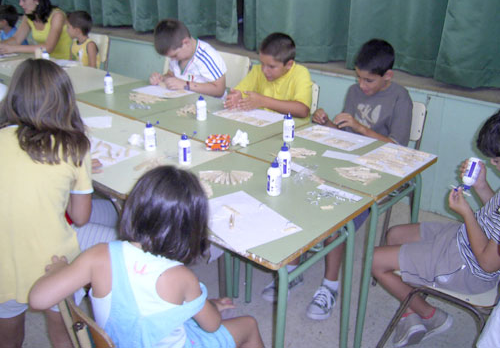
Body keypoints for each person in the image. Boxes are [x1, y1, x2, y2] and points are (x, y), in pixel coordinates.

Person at [29, 166, 265, 348]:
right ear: (190, 230)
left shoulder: (98, 255)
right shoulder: (182, 278)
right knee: (249, 325)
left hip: (121, 341)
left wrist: (60, 269)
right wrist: (208, 305)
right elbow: (212, 325)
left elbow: (38, 299)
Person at [260, 39, 412, 315]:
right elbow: (344, 136)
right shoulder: (354, 91)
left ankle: (330, 286)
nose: (361, 86)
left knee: (335, 218)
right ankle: (293, 268)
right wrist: (327, 123)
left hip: (381, 172)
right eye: (358, 78)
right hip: (345, 161)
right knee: (296, 191)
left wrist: (360, 128)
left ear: (387, 76)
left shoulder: (400, 98)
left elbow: (400, 151)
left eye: (368, 81)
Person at [371, 110, 500, 347]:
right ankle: (411, 308)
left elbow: (488, 262)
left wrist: (467, 213)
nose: (493, 163)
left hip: (468, 267)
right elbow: (495, 214)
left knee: (373, 260)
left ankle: (432, 317)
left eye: (498, 160)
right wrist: (482, 186)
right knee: (394, 234)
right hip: (462, 240)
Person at [0, 59, 93, 347]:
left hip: (3, 261)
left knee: (8, 335)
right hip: (54, 263)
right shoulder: (75, 147)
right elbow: (80, 217)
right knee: (63, 330)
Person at [224, 32, 312, 118]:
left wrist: (263, 101)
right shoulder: (258, 71)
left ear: (289, 64)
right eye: (262, 63)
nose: (264, 70)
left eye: (271, 67)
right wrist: (237, 98)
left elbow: (303, 110)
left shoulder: (300, 73)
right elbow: (239, 92)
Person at [149, 18, 227, 98]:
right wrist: (162, 78)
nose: (172, 59)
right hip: (185, 101)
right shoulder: (177, 56)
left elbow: (219, 90)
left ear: (186, 43)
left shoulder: (206, 56)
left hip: (208, 104)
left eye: (174, 55)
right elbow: (171, 74)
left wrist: (185, 85)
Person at [0, 0, 72, 59]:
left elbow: (48, 47)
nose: (20, 4)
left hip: (65, 64)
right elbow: (16, 39)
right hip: (44, 62)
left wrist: (13, 48)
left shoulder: (57, 16)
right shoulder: (28, 16)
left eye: (23, 0)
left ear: (37, 0)